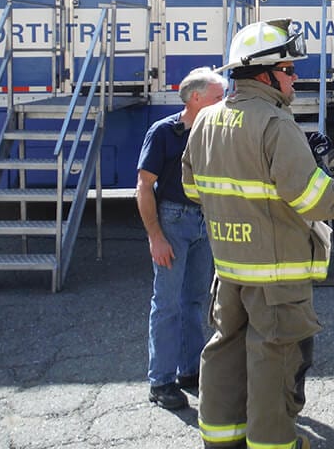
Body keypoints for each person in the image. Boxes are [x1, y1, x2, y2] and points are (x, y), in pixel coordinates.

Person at [182, 20, 334, 449]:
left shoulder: (206, 119)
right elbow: (313, 198)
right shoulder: (275, 125)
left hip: (229, 272)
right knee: (274, 364)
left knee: (225, 356)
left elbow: (193, 189)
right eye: (287, 68)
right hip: (278, 280)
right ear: (263, 73)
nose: (294, 76)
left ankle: (221, 441)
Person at [136, 66, 227, 410]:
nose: (225, 101)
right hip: (173, 222)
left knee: (194, 303)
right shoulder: (164, 132)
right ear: (196, 98)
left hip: (205, 222)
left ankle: (189, 372)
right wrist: (155, 237)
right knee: (167, 305)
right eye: (219, 97)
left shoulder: (215, 130)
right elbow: (144, 187)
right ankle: (160, 382)